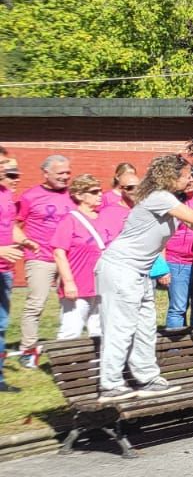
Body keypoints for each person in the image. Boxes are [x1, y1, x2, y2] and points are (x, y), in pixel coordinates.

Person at [94, 156, 193, 397]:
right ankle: (110, 383)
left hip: (140, 271)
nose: (191, 178)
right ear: (170, 177)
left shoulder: (170, 200)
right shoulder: (159, 197)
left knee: (145, 327)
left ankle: (147, 378)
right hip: (120, 268)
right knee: (121, 327)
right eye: (187, 175)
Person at [17, 153, 73, 369]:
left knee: (71, 304)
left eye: (68, 172)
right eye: (61, 173)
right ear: (46, 173)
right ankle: (28, 350)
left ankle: (68, 346)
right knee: (36, 303)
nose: (66, 177)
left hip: (68, 259)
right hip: (41, 258)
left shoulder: (73, 195)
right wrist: (25, 242)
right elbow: (15, 222)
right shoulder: (31, 196)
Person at [50, 175, 106, 339]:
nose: (100, 195)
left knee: (99, 328)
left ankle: (96, 363)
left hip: (101, 284)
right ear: (80, 195)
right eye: (94, 192)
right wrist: (68, 282)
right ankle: (66, 363)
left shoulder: (103, 218)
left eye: (100, 191)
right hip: (78, 283)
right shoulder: (70, 220)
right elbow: (59, 253)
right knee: (71, 329)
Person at [162, 185, 193, 329]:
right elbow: (161, 236)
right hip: (177, 261)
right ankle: (176, 348)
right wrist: (163, 265)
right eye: (187, 177)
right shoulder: (172, 203)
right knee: (178, 308)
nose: (190, 180)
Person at [0, 157, 22, 387]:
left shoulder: (5, 194)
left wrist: (24, 239)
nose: (7, 170)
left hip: (4, 270)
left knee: (1, 324)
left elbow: (10, 225)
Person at [96, 163, 140, 242]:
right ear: (117, 177)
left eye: (132, 174)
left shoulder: (140, 204)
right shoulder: (107, 197)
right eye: (127, 174)